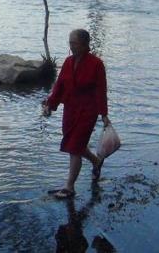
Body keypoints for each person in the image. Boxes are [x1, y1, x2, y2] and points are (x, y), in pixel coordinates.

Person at [42, 28, 110, 199]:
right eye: (70, 43)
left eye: (74, 43)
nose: (71, 46)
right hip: (70, 109)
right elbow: (59, 86)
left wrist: (104, 114)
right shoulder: (68, 62)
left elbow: (101, 91)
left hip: (88, 111)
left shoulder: (96, 64)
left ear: (85, 44)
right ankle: (96, 161)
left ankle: (69, 187)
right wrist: (50, 104)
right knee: (75, 144)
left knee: (75, 147)